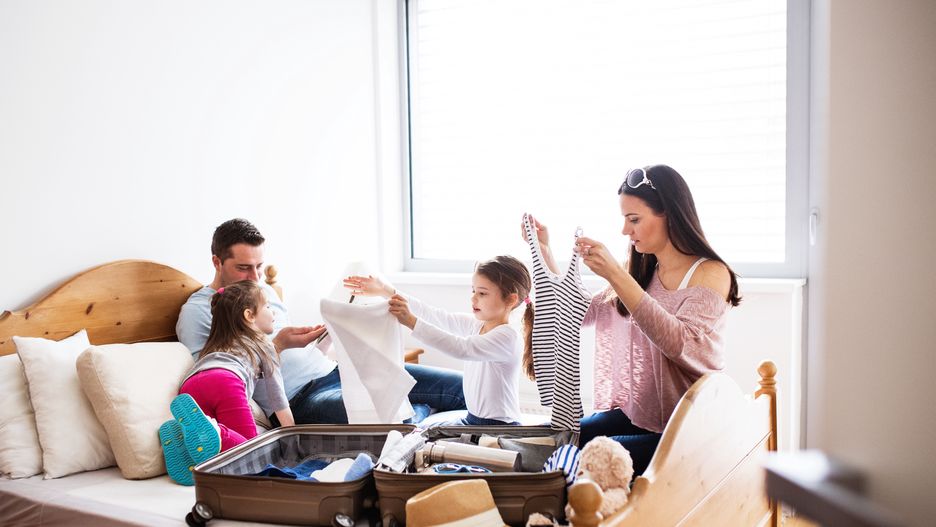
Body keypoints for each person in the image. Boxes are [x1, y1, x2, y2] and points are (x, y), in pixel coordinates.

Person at [524, 164, 740, 475]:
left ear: (669, 214)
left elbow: (677, 342)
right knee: (562, 439)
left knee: (588, 457)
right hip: (641, 416)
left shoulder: (711, 273)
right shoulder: (643, 271)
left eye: (634, 219)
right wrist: (544, 250)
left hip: (690, 427)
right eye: (624, 219)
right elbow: (581, 312)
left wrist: (614, 273)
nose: (625, 230)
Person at [176, 218, 466, 425]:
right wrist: (278, 345)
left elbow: (298, 350)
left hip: (337, 370)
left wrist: (329, 333)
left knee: (462, 388)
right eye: (243, 268)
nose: (256, 278)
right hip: (300, 399)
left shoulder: (265, 292)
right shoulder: (198, 312)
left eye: (259, 267)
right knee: (397, 415)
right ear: (216, 262)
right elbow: (223, 378)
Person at [344, 255, 532, 426]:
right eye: (473, 290)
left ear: (511, 300)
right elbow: (435, 315)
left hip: (498, 427)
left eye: (482, 293)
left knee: (421, 438)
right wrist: (386, 290)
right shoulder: (477, 325)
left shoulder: (507, 337)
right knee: (423, 432)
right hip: (474, 421)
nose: (473, 297)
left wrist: (411, 321)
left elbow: (462, 348)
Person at [159, 280, 292, 485]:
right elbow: (278, 398)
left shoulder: (215, 344)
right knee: (250, 451)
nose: (272, 311)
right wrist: (293, 436)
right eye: (267, 306)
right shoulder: (264, 345)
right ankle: (217, 431)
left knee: (211, 447)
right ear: (249, 316)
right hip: (226, 382)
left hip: (191, 385)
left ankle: (186, 448)